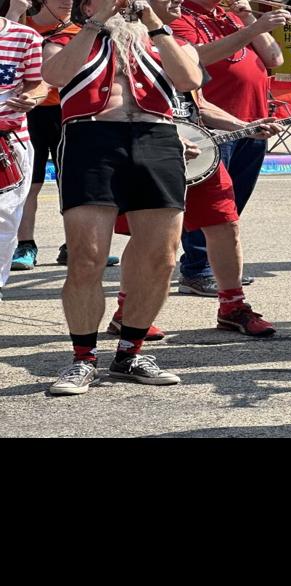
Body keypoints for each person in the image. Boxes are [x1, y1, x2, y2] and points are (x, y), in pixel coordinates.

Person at [41, 0, 204, 395]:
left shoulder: (166, 38)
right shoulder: (65, 38)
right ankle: (82, 359)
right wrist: (96, 22)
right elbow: (55, 75)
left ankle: (131, 352)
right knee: (86, 256)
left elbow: (189, 81)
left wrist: (154, 24)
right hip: (90, 138)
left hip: (157, 137)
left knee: (162, 258)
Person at [168, 0, 287, 298]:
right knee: (209, 202)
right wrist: (255, 27)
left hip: (249, 119)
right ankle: (197, 270)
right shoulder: (180, 15)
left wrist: (247, 17)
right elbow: (196, 58)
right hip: (210, 123)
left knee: (231, 204)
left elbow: (274, 58)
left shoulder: (233, 15)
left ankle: (216, 267)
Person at [11, 0, 119, 273]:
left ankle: (76, 245)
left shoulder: (80, 31)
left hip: (66, 112)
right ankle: (25, 245)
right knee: (30, 183)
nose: (66, 2)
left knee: (72, 181)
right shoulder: (22, 25)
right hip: (28, 114)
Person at [0, 0, 47, 299]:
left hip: (10, 141)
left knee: (4, 221)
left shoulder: (26, 37)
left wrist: (33, 97)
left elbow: (39, 84)